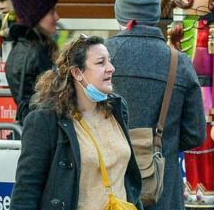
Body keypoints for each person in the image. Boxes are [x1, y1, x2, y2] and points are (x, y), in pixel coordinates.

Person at [106, 0, 206, 210]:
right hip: (163, 189)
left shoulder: (98, 58)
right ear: (156, 14)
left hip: (108, 186)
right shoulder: (178, 63)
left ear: (120, 13)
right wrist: (162, 143)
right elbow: (195, 134)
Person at [11, 35, 142, 210]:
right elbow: (26, 190)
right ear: (77, 73)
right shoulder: (45, 120)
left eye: (109, 61)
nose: (111, 68)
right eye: (101, 63)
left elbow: (127, 178)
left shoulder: (117, 109)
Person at [4, 0, 60, 124]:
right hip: (43, 130)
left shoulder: (24, 48)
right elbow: (39, 100)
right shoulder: (35, 52)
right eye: (51, 12)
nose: (57, 17)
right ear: (36, 17)